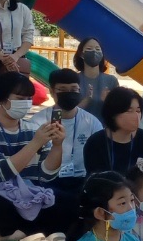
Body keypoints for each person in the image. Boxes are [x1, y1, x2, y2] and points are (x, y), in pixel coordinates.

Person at [0, 73, 73, 241]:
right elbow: (1, 173)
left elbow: (47, 176)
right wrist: (35, 143)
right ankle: (33, 229)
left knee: (69, 200)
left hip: (30, 198)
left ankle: (14, 232)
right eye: (20, 98)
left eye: (29, 99)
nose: (26, 103)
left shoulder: (33, 129)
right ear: (2, 99)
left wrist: (57, 146)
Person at [33, 68, 102, 199]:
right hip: (47, 182)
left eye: (73, 90)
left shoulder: (92, 122)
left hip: (82, 181)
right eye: (62, 90)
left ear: (79, 91)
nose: (68, 94)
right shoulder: (38, 121)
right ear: (52, 92)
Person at [83, 87, 143, 176]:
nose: (136, 116)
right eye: (129, 111)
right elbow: (95, 180)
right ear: (113, 113)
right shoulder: (95, 142)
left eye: (138, 111)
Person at [74, 37, 118, 121]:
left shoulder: (112, 81)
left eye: (98, 49)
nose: (94, 52)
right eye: (89, 49)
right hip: (79, 129)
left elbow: (118, 112)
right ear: (81, 54)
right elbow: (67, 112)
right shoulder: (74, 80)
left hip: (104, 130)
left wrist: (108, 102)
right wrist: (87, 100)